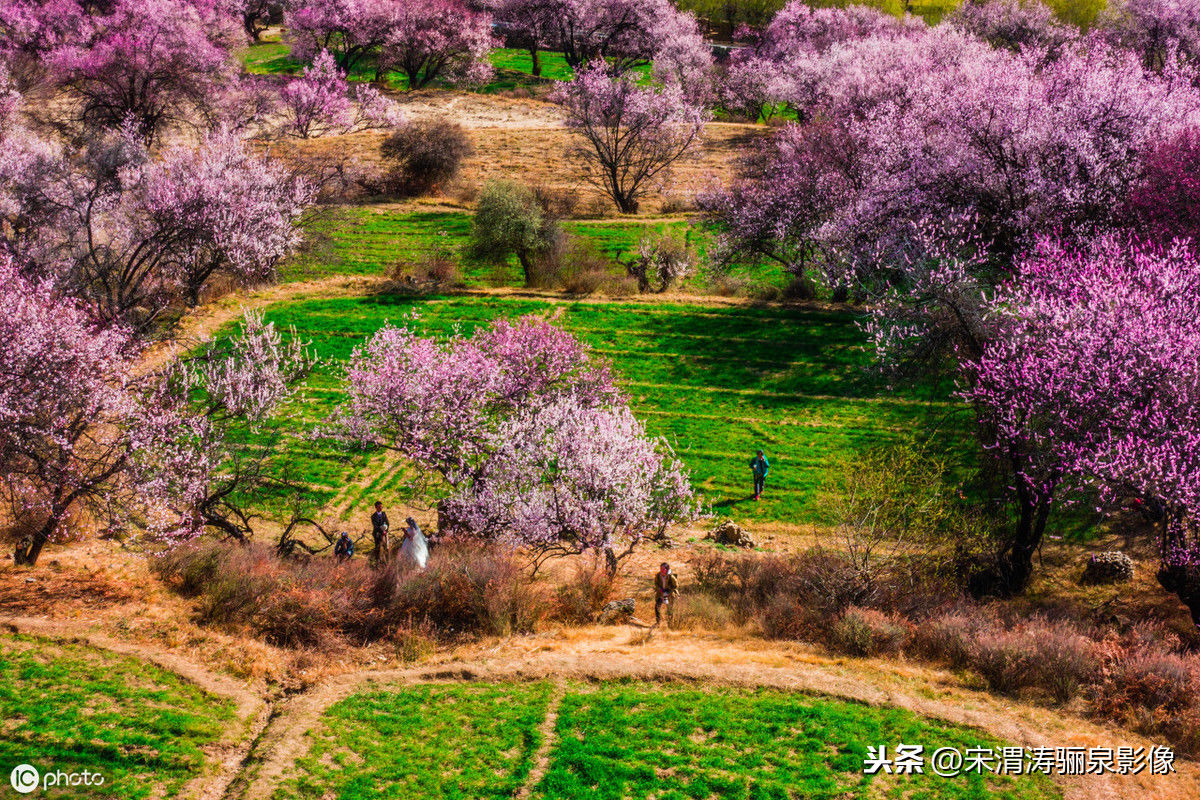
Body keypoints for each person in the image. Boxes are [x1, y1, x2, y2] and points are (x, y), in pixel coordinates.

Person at [654, 562, 678, 627]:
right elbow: (656, 583)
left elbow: (676, 585)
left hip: (670, 594)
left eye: (663, 569)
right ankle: (658, 623)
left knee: (669, 609)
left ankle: (670, 624)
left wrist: (668, 592)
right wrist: (659, 589)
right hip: (660, 593)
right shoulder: (658, 575)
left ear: (667, 569)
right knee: (657, 607)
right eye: (661, 568)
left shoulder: (671, 577)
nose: (661, 570)